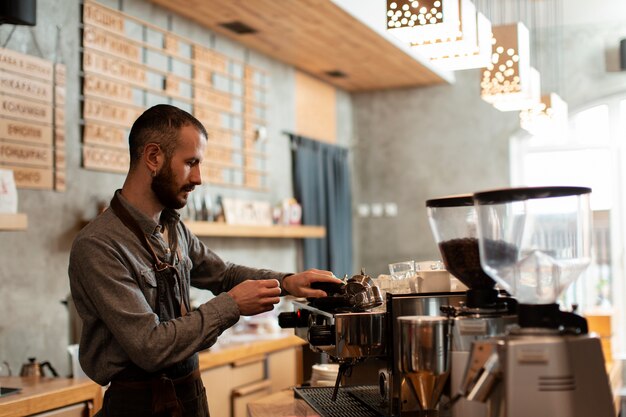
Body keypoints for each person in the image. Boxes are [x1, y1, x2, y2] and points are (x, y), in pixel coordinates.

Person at [68, 104, 341, 417]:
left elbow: (223, 275)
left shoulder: (173, 228)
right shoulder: (99, 244)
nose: (198, 178)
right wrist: (232, 305)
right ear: (153, 157)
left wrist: (287, 281)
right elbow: (150, 346)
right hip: (138, 407)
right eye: (191, 163)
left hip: (191, 396)